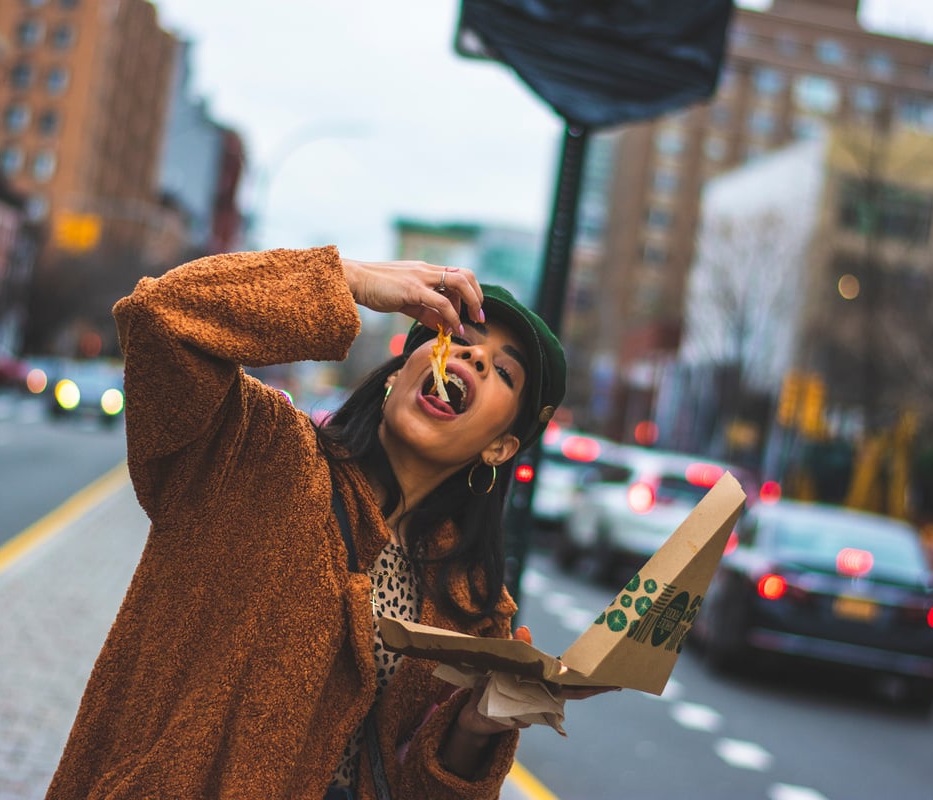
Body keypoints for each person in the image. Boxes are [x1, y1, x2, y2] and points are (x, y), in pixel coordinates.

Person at [46, 246, 603, 800]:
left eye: (503, 370)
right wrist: (348, 279)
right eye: (455, 339)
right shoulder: (259, 453)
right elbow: (161, 315)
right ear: (396, 376)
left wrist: (471, 732)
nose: (474, 358)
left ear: (502, 447)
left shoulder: (473, 607)